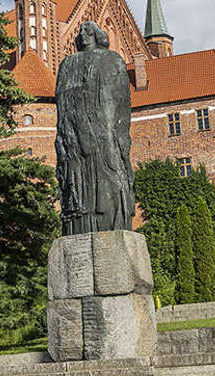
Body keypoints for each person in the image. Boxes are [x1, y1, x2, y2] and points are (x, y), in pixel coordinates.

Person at [55, 22, 135, 235]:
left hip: (103, 127)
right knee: (77, 179)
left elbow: (120, 99)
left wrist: (116, 132)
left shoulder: (112, 59)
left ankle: (113, 221)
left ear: (98, 35)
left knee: (109, 171)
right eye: (80, 31)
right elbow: (61, 99)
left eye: (87, 31)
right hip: (74, 132)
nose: (82, 35)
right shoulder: (68, 64)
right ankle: (80, 222)